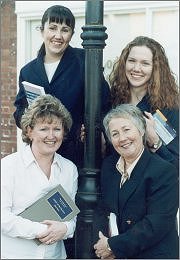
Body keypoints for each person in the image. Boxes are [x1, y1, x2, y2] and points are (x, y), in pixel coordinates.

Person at [13, 4, 111, 167]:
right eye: (52, 28)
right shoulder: (28, 71)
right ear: (42, 30)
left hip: (79, 157)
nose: (58, 35)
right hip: (40, 156)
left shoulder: (85, 61)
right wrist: (30, 116)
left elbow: (105, 104)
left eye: (65, 30)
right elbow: (19, 112)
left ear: (71, 34)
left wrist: (93, 128)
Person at [93, 104, 179, 259]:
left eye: (127, 130)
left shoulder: (163, 171)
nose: (122, 138)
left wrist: (113, 246)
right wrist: (102, 241)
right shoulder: (109, 166)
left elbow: (156, 224)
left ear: (141, 131)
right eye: (115, 134)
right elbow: (103, 210)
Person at [1, 94, 79, 259]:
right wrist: (42, 231)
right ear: (29, 131)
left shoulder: (69, 169)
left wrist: (65, 229)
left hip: (55, 256)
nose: (51, 136)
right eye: (44, 129)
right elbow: (3, 218)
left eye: (57, 129)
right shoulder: (9, 166)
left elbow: (71, 219)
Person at [109, 36, 179, 168]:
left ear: (156, 69)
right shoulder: (113, 100)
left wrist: (155, 142)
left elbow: (175, 165)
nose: (136, 68)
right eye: (132, 61)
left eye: (145, 63)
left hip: (151, 184)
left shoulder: (170, 108)